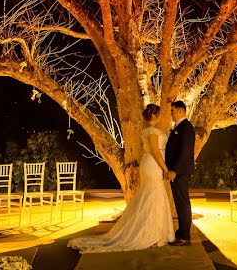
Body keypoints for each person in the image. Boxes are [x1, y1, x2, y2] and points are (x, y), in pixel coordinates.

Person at [68, 103, 174, 252]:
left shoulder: (146, 131)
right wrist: (165, 168)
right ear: (156, 115)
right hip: (154, 164)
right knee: (154, 195)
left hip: (149, 163)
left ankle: (155, 232)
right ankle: (152, 233)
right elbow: (156, 152)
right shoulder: (153, 132)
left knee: (151, 195)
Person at [164, 100, 195, 246]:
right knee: (179, 202)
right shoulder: (178, 127)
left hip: (180, 172)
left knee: (182, 203)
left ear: (181, 111)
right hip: (177, 172)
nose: (171, 113)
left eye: (173, 111)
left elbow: (185, 152)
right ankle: (182, 231)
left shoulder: (186, 128)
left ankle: (185, 237)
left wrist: (174, 170)